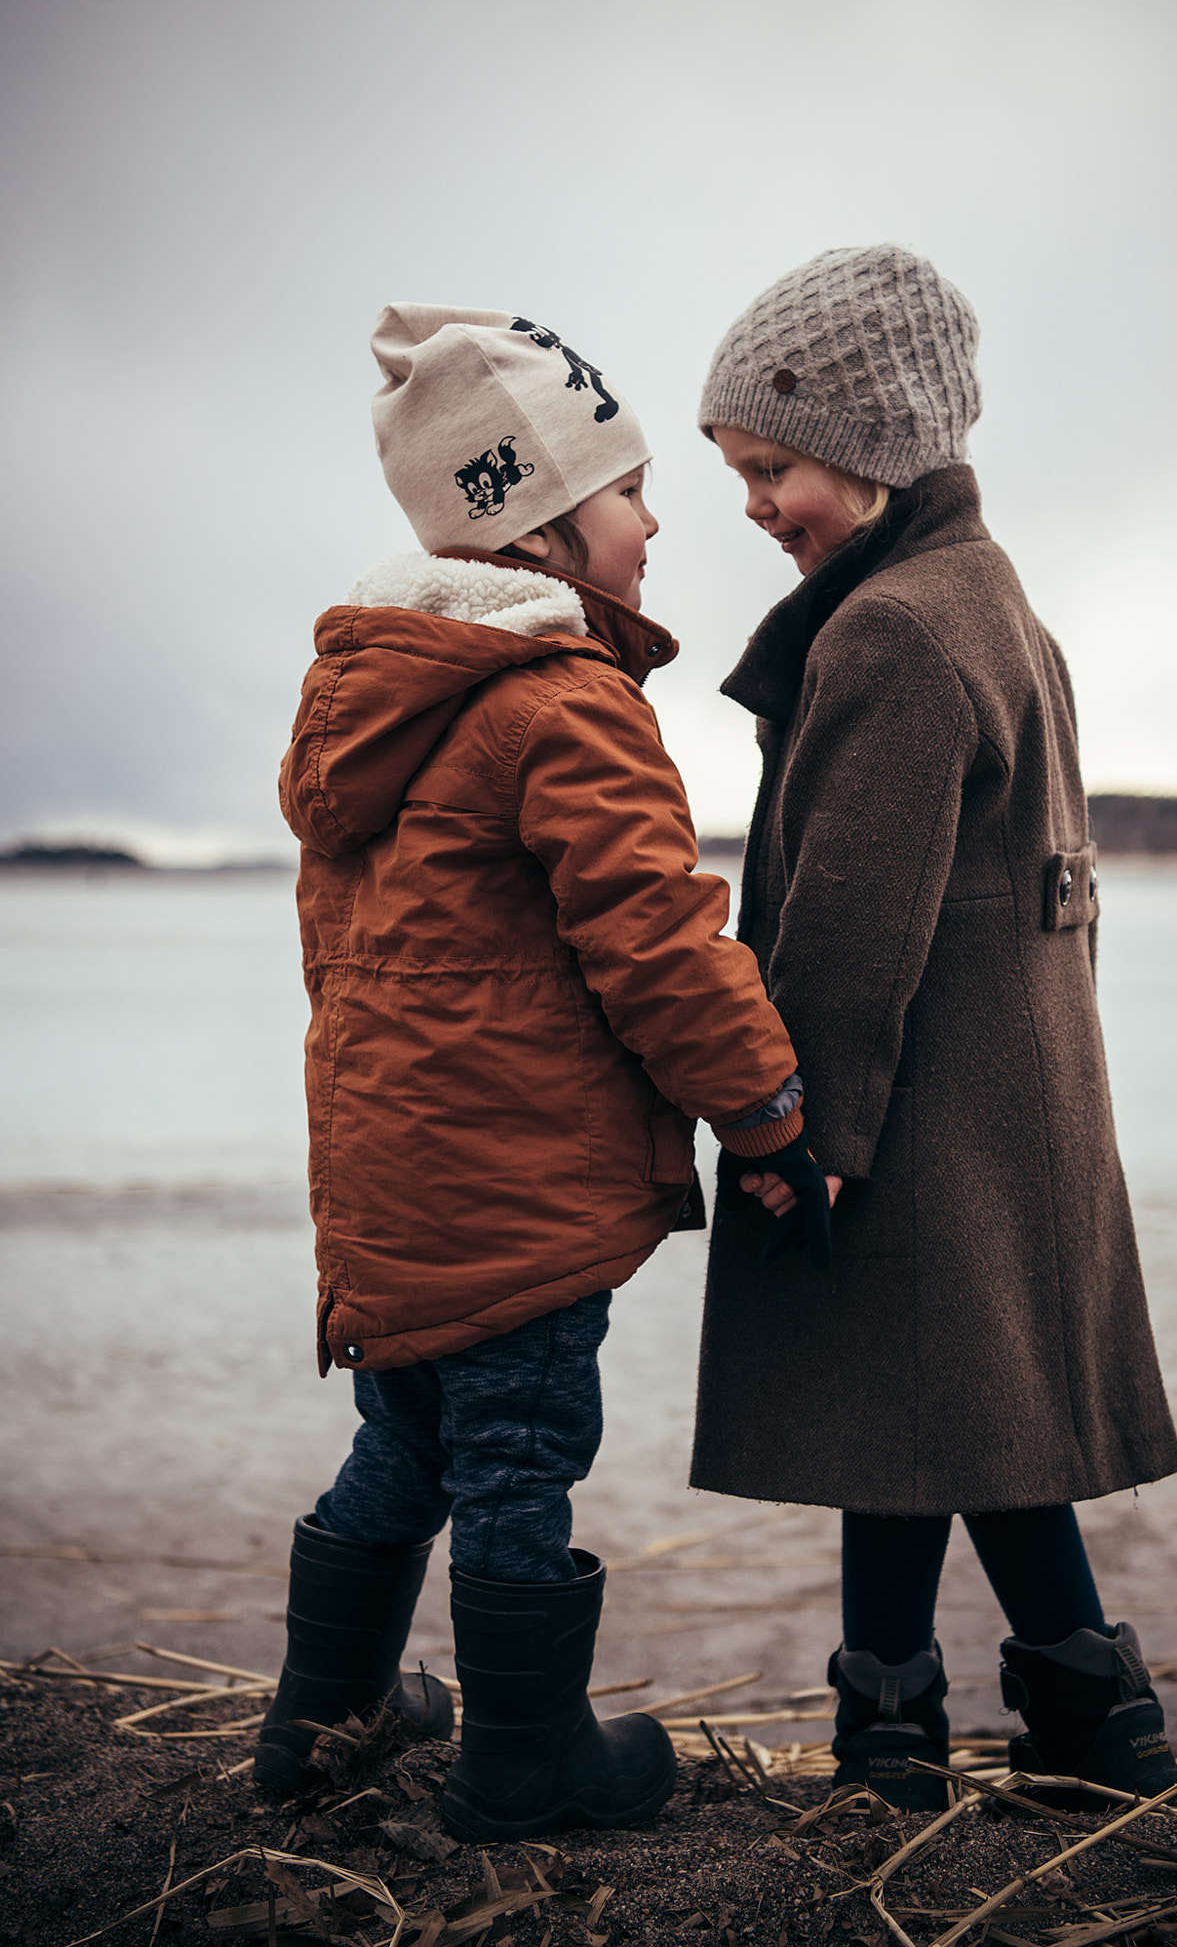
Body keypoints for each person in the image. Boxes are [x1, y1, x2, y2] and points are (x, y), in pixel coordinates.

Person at [263, 303, 831, 1838]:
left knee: (411, 1440)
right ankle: (524, 1761)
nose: (657, 522)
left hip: (389, 1174)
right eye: (629, 490)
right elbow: (658, 940)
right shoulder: (564, 704)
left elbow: (350, 960)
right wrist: (767, 1110)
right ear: (540, 522)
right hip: (513, 1182)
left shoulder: (375, 706)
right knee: (518, 1452)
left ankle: (323, 1714)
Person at [691, 246, 1177, 1807]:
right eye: (737, 474)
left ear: (880, 441)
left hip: (914, 1115)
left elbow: (849, 921)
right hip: (998, 1100)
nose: (755, 504)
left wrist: (801, 1131)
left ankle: (932, 1739)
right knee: (927, 1415)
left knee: (934, 1409)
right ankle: (1037, 1726)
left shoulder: (896, 631)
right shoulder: (991, 598)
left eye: (773, 466)